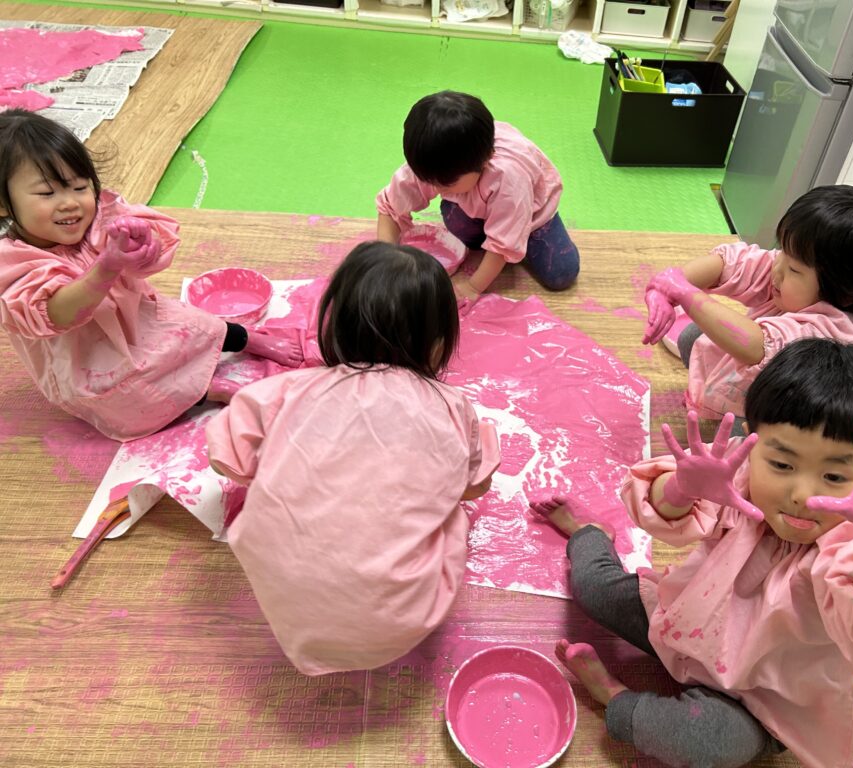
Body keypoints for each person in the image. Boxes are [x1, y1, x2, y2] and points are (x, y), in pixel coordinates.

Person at [529, 339, 853, 768]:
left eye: (834, 475)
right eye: (782, 465)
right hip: (679, 628)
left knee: (707, 744)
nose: (802, 494)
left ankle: (614, 697)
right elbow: (661, 512)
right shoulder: (740, 479)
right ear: (752, 441)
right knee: (592, 586)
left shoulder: (852, 542)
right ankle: (588, 533)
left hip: (763, 700)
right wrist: (682, 487)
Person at [205, 241, 501, 675]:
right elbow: (476, 487)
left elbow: (225, 460)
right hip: (402, 621)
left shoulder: (284, 390)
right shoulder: (453, 408)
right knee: (451, 511)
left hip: (283, 593)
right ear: (439, 345)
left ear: (334, 327)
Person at [0, 109, 302, 441]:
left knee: (198, 326)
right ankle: (206, 391)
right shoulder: (12, 263)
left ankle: (247, 338)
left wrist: (144, 245)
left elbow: (150, 260)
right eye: (47, 193)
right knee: (125, 397)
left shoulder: (102, 219)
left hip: (143, 318)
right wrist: (105, 269)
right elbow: (59, 313)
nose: (70, 203)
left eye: (79, 186)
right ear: (3, 203)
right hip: (85, 357)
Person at [643, 184, 853, 437]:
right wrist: (669, 286)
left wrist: (684, 292)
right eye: (782, 252)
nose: (776, 269)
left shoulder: (838, 335)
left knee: (746, 445)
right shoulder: (807, 277)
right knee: (694, 335)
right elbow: (734, 264)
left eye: (793, 269)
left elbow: (756, 346)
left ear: (845, 294)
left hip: (790, 422)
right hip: (765, 379)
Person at [376, 90, 580, 300]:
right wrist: (386, 259)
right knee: (457, 217)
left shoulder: (508, 177)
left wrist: (473, 287)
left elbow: (503, 243)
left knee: (561, 274)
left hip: (533, 215)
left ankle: (521, 238)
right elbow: (390, 207)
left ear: (485, 159)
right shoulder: (434, 159)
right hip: (485, 203)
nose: (437, 189)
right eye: (430, 182)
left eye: (446, 185)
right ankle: (491, 234)